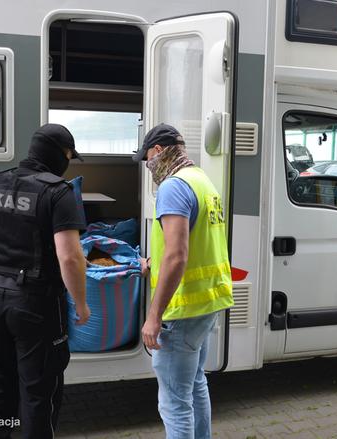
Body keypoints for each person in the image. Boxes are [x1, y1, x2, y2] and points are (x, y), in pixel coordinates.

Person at [0, 123, 91, 439]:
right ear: (60, 154)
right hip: (35, 305)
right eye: (69, 155)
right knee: (39, 392)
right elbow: (70, 257)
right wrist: (80, 303)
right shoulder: (58, 191)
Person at [133, 123, 234, 439]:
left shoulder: (173, 187)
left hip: (182, 310)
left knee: (174, 403)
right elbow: (195, 241)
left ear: (159, 151)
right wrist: (154, 262)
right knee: (195, 385)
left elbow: (177, 256)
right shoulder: (202, 180)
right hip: (207, 302)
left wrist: (154, 316)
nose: (148, 166)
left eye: (147, 157)